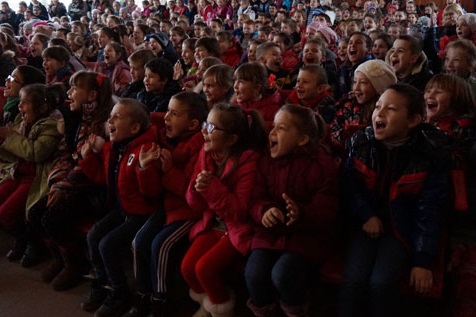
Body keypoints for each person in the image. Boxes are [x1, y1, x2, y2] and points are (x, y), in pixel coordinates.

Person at [339, 83, 451, 317]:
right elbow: (350, 187)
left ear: (412, 121)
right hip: (366, 224)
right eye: (378, 106)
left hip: (402, 229)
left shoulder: (429, 154)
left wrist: (423, 259)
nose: (378, 113)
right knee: (354, 280)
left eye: (390, 109)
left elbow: (429, 210)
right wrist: (366, 215)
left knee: (381, 282)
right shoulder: (360, 143)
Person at [246, 104, 339, 317]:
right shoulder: (266, 160)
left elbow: (327, 211)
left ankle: (296, 310)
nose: (272, 132)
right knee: (254, 275)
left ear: (302, 139)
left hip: (307, 237)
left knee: (283, 275)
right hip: (271, 233)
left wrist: (301, 213)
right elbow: (255, 198)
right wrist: (265, 211)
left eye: (281, 128)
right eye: (273, 126)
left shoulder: (321, 165)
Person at [28, 71, 113, 292]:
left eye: (75, 89)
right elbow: (67, 154)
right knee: (36, 213)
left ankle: (75, 263)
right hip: (70, 182)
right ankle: (61, 257)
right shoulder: (76, 119)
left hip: (93, 189)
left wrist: (65, 184)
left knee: (52, 217)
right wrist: (59, 182)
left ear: (92, 95)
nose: (69, 93)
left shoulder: (103, 126)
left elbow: (94, 170)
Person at [125, 92, 208, 317]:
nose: (167, 118)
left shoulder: (200, 147)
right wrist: (144, 169)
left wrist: (169, 170)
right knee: (139, 241)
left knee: (160, 245)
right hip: (167, 206)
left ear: (192, 123)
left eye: (174, 113)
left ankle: (160, 302)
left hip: (190, 212)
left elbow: (192, 194)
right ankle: (142, 293)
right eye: (168, 111)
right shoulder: (163, 140)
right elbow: (152, 192)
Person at [181, 103, 267, 317]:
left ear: (231, 139)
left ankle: (221, 309)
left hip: (240, 228)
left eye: (211, 128)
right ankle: (210, 303)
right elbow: (194, 204)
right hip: (213, 222)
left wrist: (211, 188)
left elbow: (239, 212)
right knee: (187, 267)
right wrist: (196, 188)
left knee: (204, 269)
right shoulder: (207, 152)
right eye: (205, 125)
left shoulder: (248, 161)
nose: (203, 132)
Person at [79, 98, 161, 317]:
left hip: (140, 214)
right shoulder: (112, 148)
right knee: (93, 236)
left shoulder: (145, 150)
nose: (110, 120)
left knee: (107, 244)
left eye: (117, 117)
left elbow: (152, 194)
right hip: (121, 209)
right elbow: (103, 178)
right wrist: (87, 158)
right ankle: (101, 283)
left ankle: (119, 292)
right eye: (111, 116)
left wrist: (144, 169)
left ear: (134, 127)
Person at [0, 84, 64, 267]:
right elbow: (15, 153)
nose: (20, 107)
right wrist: (3, 140)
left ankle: (32, 242)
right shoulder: (23, 121)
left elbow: (36, 153)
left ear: (42, 107)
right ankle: (21, 238)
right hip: (19, 172)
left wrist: (10, 138)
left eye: (25, 103)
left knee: (6, 213)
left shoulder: (51, 126)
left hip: (36, 178)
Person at [330, 59, 397, 151]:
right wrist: (345, 134)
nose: (356, 88)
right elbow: (332, 133)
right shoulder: (346, 105)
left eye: (363, 82)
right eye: (354, 82)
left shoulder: (387, 111)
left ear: (379, 87)